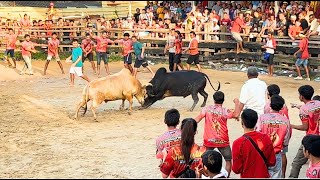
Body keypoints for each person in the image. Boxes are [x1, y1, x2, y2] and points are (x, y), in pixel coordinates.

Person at [195, 91, 240, 177]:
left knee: (203, 160)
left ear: (214, 100)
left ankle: (202, 176)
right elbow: (237, 114)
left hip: (209, 140)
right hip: (222, 140)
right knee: (228, 160)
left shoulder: (206, 109)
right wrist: (237, 102)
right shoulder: (225, 111)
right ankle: (225, 177)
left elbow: (197, 119)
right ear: (223, 100)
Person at [232, 109, 276, 178]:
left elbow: (236, 169)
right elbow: (272, 162)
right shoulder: (265, 138)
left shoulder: (238, 143)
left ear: (242, 123)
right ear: (256, 122)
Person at [256, 95, 291, 178]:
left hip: (263, 153)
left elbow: (257, 135)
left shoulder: (262, 118)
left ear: (270, 105)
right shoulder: (285, 121)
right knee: (276, 175)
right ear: (282, 107)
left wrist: (261, 148)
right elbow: (286, 139)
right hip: (276, 154)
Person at [289, 85, 320, 178]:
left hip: (311, 138)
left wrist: (291, 126)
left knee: (296, 163)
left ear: (302, 96)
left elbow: (305, 127)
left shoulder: (303, 110)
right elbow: (311, 110)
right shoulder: (318, 103)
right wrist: (298, 106)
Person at [264, 84, 291, 178]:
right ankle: (282, 175)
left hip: (272, 133)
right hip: (283, 132)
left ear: (268, 94)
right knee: (282, 154)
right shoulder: (283, 104)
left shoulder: (268, 105)